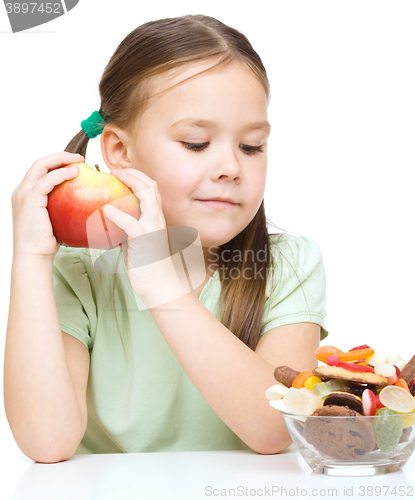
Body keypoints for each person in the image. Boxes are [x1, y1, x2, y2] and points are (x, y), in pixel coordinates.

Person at [5, 14, 328, 463]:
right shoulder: (80, 272)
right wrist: (29, 259)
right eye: (196, 143)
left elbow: (277, 428)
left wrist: (163, 286)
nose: (231, 168)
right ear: (119, 151)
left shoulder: (289, 266)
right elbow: (47, 442)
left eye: (251, 146)